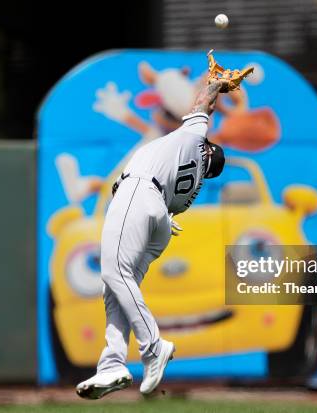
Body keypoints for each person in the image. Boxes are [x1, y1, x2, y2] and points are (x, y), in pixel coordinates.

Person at [75, 78, 228, 400]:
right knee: (115, 286)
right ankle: (113, 363)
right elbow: (167, 211)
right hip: (160, 219)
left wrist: (216, 84)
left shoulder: (191, 141)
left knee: (114, 274)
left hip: (141, 190)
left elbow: (203, 105)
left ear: (206, 150)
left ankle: (153, 346)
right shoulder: (192, 189)